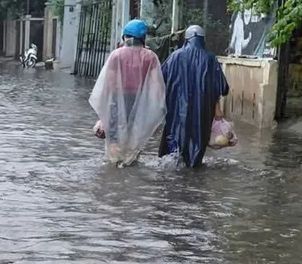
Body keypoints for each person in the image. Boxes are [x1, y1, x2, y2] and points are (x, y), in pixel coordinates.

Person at [89, 19, 167, 166]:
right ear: (143, 37)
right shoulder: (150, 56)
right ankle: (129, 168)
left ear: (125, 36)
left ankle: (114, 169)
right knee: (134, 140)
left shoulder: (116, 55)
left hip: (117, 102)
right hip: (140, 104)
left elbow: (107, 85)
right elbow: (157, 87)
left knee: (114, 139)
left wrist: (102, 115)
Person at [159, 25, 230, 167]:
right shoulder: (210, 59)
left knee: (175, 143)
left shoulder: (175, 56)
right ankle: (194, 168)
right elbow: (222, 87)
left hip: (177, 110)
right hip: (202, 112)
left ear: (186, 40)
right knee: (198, 141)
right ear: (202, 40)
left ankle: (175, 167)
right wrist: (216, 107)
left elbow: (160, 79)